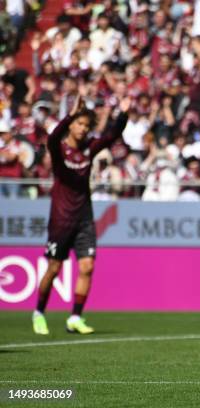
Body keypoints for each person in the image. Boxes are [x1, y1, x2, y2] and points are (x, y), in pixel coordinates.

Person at [32, 94, 130, 335]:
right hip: (61, 220)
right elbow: (53, 137)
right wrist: (69, 115)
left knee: (87, 267)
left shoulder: (89, 149)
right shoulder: (59, 150)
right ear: (72, 125)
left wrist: (123, 114)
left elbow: (112, 136)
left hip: (84, 219)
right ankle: (39, 312)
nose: (83, 129)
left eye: (87, 125)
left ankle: (75, 317)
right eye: (80, 124)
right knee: (54, 269)